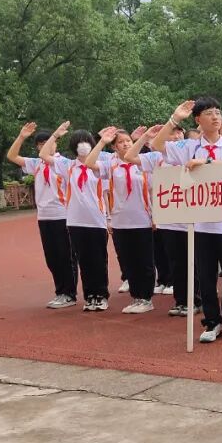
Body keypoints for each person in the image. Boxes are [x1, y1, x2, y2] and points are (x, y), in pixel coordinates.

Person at [146, 98, 222, 342]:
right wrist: (175, 118)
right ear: (198, 119)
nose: (215, 117)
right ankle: (211, 321)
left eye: (218, 113)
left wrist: (207, 162)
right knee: (205, 274)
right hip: (200, 222)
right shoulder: (189, 146)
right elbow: (157, 144)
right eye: (209, 113)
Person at [124, 116, 200, 318]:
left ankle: (196, 300)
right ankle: (181, 301)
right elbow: (129, 157)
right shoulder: (156, 157)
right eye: (170, 133)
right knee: (176, 263)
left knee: (193, 263)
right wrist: (144, 138)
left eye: (177, 132)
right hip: (169, 218)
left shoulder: (192, 153)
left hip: (193, 218)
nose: (174, 136)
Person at [82, 127, 156, 314]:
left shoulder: (142, 162)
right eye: (121, 142)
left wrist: (155, 215)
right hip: (121, 220)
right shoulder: (111, 164)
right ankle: (136, 297)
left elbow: (153, 190)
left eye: (128, 141)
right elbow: (89, 163)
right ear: (114, 147)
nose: (125, 144)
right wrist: (102, 142)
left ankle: (146, 298)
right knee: (129, 261)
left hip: (142, 218)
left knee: (144, 260)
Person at [39, 124, 111, 312]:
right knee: (84, 261)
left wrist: (109, 218)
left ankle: (101, 295)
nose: (83, 145)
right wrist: (55, 135)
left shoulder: (98, 165)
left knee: (98, 260)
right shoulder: (68, 166)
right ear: (74, 147)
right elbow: (44, 155)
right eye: (79, 142)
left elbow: (105, 194)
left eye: (86, 142)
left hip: (96, 220)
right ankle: (90, 297)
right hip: (75, 222)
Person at [6, 122, 78, 309]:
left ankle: (69, 293)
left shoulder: (64, 163)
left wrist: (56, 134)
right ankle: (60, 292)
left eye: (49, 142)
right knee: (52, 258)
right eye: (41, 144)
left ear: (55, 144)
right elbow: (12, 156)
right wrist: (21, 137)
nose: (45, 146)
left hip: (62, 215)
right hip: (44, 216)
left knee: (65, 256)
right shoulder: (36, 164)